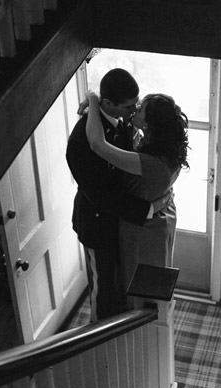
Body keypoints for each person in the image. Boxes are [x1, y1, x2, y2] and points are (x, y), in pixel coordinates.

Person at [66, 68, 171, 322]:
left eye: (137, 105)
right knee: (103, 291)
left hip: (119, 223)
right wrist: (149, 209)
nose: (134, 111)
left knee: (120, 285)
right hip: (97, 224)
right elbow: (103, 195)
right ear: (108, 103)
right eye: (129, 107)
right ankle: (100, 343)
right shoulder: (82, 140)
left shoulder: (121, 121)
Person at [84, 90, 189, 307]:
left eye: (140, 109)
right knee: (156, 283)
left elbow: (97, 144)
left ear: (150, 124)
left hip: (144, 230)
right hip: (162, 218)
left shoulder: (149, 162)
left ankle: (145, 331)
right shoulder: (170, 148)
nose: (135, 110)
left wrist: (93, 99)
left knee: (143, 289)